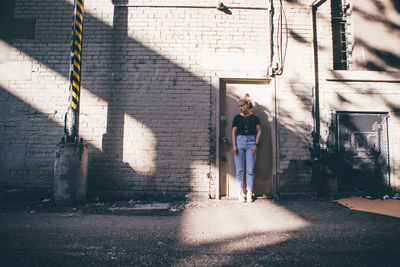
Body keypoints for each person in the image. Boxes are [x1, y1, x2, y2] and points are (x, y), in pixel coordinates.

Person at [232, 93, 261, 203]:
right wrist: (234, 145)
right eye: (239, 106)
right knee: (239, 171)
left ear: (248, 105)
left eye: (242, 105)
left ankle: (249, 194)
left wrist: (256, 145)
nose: (240, 108)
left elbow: (259, 131)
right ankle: (240, 194)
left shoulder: (255, 118)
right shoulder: (237, 118)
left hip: (251, 142)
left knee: (250, 171)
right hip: (239, 142)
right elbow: (234, 132)